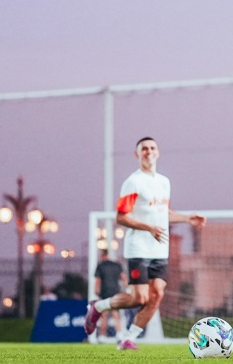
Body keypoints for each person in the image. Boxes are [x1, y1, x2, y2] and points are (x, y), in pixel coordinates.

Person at [83, 137, 206, 350]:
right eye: (144, 149)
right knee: (139, 298)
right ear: (137, 155)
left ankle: (128, 338)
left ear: (158, 152)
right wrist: (148, 227)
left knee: (157, 294)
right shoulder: (133, 182)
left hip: (160, 248)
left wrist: (187, 218)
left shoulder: (164, 182)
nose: (149, 152)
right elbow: (121, 217)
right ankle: (99, 306)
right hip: (138, 248)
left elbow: (162, 213)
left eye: (152, 148)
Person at [92, 250, 126, 344]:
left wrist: (96, 291)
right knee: (116, 314)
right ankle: (119, 334)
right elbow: (123, 277)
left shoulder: (100, 266)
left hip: (105, 292)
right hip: (115, 291)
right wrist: (128, 288)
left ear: (103, 255)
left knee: (104, 314)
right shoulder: (117, 265)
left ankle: (102, 336)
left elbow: (98, 280)